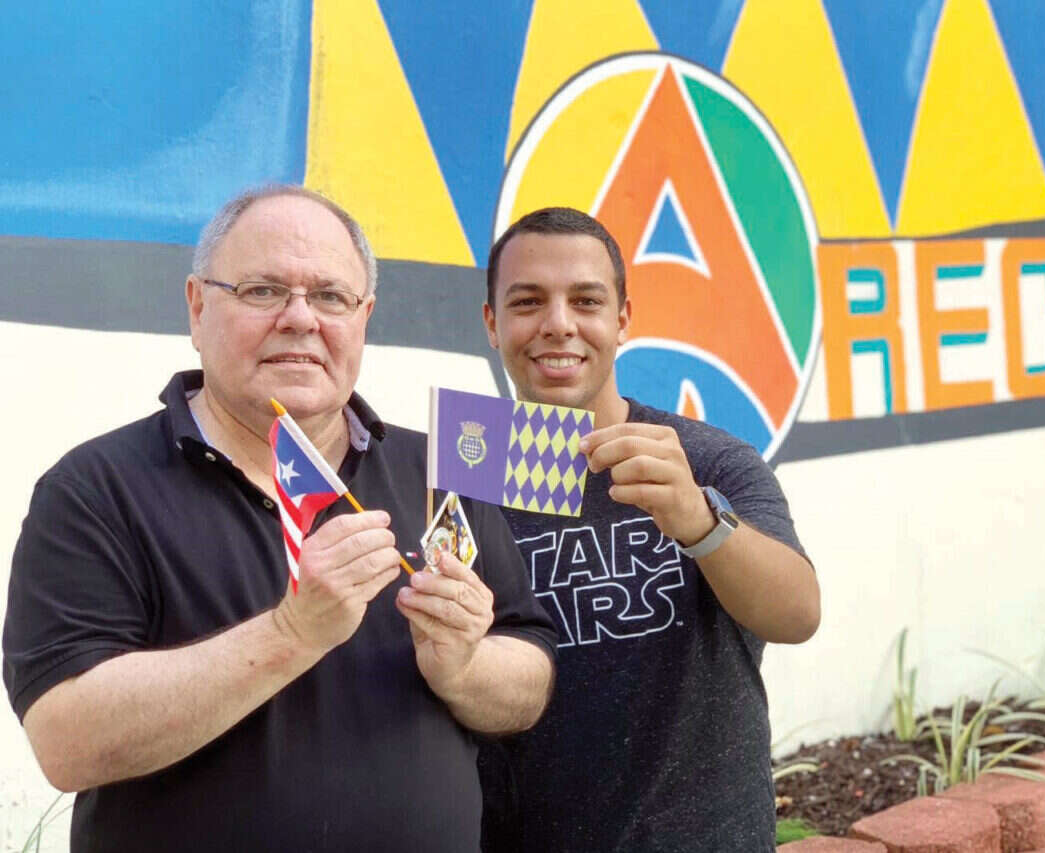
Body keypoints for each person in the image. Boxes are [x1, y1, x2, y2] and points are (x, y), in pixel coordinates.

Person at [2, 186, 558, 852]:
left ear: (364, 317)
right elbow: (66, 741)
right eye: (263, 290)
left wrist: (465, 667)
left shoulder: (444, 471)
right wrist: (292, 633)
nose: (300, 319)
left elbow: (530, 678)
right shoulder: (94, 488)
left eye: (330, 296)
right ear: (198, 307)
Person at [479, 207, 821, 851]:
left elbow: (797, 614)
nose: (558, 324)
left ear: (622, 319)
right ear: (492, 323)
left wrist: (698, 520)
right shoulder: (461, 477)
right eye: (527, 302)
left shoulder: (709, 461)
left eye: (586, 301)